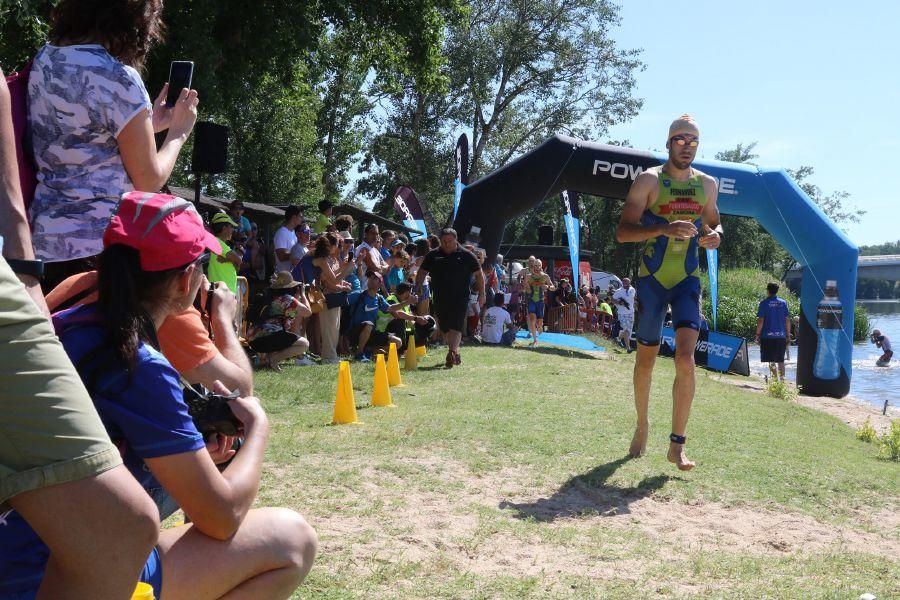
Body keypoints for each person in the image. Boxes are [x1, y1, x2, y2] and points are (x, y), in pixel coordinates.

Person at [49, 191, 316, 598]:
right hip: (71, 576)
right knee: (292, 540)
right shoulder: (140, 364)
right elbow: (223, 518)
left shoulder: (65, 314)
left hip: (30, 545)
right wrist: (258, 426)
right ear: (184, 279)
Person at [1, 65, 160, 600]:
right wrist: (177, 128)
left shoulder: (43, 65)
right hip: (84, 256)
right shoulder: (119, 76)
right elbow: (150, 178)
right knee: (119, 510)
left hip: (47, 249)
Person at [29, 0, 199, 292]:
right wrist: (178, 134)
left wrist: (149, 124)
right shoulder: (118, 77)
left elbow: (78, 136)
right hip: (97, 251)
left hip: (42, 242)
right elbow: (148, 180)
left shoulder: (46, 59)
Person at [615, 114, 722, 471]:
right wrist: (664, 228)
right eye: (680, 139)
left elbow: (714, 221)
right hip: (652, 282)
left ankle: (677, 445)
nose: (687, 145)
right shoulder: (648, 180)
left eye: (693, 140)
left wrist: (715, 236)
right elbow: (623, 232)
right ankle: (642, 424)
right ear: (668, 142)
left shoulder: (707, 185)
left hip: (688, 280)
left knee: (685, 358)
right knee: (645, 359)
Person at [415, 228, 485, 368]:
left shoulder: (466, 255)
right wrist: (418, 286)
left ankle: (451, 352)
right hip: (440, 297)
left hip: (461, 297)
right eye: (444, 241)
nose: (446, 244)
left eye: (450, 241)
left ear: (456, 239)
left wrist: (482, 294)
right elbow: (422, 272)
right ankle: (454, 351)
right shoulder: (433, 255)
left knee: (456, 325)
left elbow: (479, 275)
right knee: (445, 328)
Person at [248, 271, 312, 370]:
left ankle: (265, 360)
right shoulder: (287, 299)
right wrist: (303, 294)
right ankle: (273, 359)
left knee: (281, 335)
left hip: (253, 341)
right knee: (304, 344)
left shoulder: (268, 296)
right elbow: (307, 312)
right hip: (269, 338)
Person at [312, 232, 356, 363]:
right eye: (338, 244)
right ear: (331, 245)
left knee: (334, 327)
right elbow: (332, 280)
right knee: (329, 328)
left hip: (330, 296)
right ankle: (328, 357)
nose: (340, 247)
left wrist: (344, 270)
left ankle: (331, 355)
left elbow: (331, 276)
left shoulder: (326, 259)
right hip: (325, 296)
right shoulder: (322, 259)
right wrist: (347, 270)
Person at [755, 282, 791, 381]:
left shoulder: (764, 303)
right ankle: (783, 382)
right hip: (781, 335)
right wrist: (788, 335)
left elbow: (761, 320)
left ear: (768, 291)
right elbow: (787, 320)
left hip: (767, 336)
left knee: (771, 360)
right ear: (777, 291)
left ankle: (774, 381)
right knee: (781, 360)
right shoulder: (783, 303)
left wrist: (757, 334)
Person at [520, 257, 555, 346]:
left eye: (538, 266)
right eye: (535, 265)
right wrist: (526, 288)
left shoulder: (545, 276)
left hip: (540, 301)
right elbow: (524, 288)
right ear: (533, 266)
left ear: (541, 266)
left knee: (539, 323)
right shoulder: (528, 276)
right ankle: (535, 340)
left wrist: (547, 287)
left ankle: (539, 327)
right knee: (532, 318)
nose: (536, 267)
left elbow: (553, 287)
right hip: (531, 300)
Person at [207, 212, 242, 294]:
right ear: (224, 228)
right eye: (231, 227)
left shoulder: (215, 241)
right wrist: (233, 260)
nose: (233, 230)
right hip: (224, 293)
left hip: (222, 292)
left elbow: (238, 265)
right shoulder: (218, 242)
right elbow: (239, 261)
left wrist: (228, 260)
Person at [274, 206, 302, 272]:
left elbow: (294, 251)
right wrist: (300, 253)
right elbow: (281, 256)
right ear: (294, 217)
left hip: (291, 275)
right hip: (283, 278)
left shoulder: (292, 232)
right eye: (300, 216)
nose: (302, 219)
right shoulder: (282, 233)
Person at [612, 277, 636, 352]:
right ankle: (623, 343)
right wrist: (619, 302)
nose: (626, 283)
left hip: (631, 312)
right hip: (622, 313)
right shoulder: (618, 291)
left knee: (628, 331)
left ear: (629, 283)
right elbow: (612, 300)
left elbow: (634, 298)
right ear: (622, 282)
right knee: (626, 329)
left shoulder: (632, 289)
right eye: (625, 282)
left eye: (628, 282)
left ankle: (620, 340)